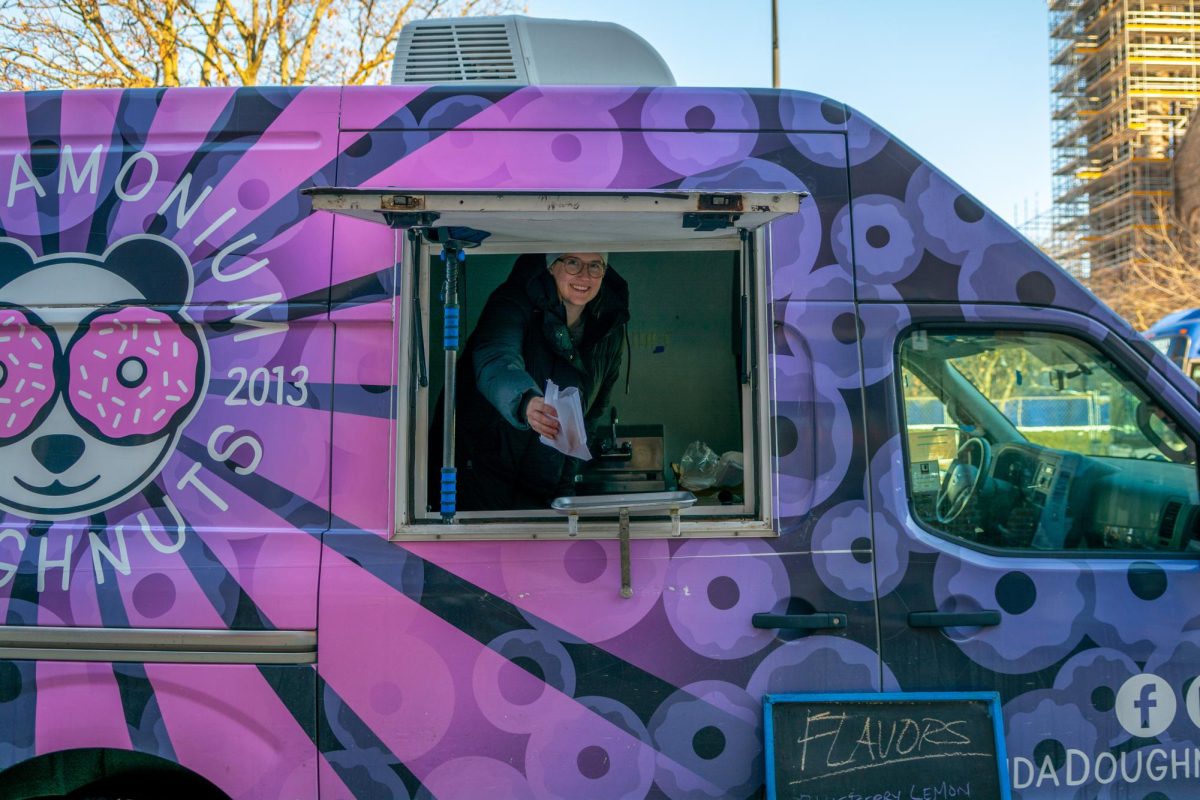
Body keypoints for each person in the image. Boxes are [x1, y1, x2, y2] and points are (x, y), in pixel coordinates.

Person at [449, 251, 629, 511]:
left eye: (595, 265)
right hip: (481, 476)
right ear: (551, 266)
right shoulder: (513, 302)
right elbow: (496, 359)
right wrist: (525, 401)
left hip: (543, 487)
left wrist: (565, 489)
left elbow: (590, 417)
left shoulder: (609, 328)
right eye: (573, 262)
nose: (584, 275)